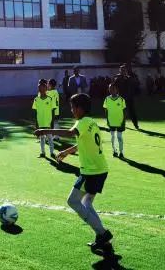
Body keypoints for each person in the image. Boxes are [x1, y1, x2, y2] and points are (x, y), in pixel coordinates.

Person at [35, 93, 113, 250]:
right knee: (86, 202)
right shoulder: (91, 123)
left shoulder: (82, 123)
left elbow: (70, 133)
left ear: (80, 108)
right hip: (100, 169)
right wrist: (66, 152)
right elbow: (81, 144)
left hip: (91, 172)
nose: (71, 110)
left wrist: (44, 130)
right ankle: (101, 235)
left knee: (72, 201)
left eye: (73, 107)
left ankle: (102, 233)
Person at [32, 79, 56, 157]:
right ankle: (43, 152)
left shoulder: (50, 99)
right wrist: (36, 124)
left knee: (49, 138)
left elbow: (52, 111)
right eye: (39, 87)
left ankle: (52, 152)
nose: (40, 88)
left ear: (46, 88)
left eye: (42, 87)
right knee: (42, 138)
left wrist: (52, 123)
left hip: (48, 122)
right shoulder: (36, 99)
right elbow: (35, 113)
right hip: (40, 122)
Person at [103, 83, 127, 158]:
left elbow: (124, 111)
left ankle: (121, 152)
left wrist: (123, 121)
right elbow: (106, 110)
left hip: (120, 121)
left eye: (113, 88)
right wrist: (107, 120)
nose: (112, 90)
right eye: (110, 88)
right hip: (111, 121)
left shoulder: (121, 99)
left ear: (117, 90)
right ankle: (114, 151)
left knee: (119, 137)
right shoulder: (107, 99)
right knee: (113, 136)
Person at [113, 64, 139, 129]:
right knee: (121, 111)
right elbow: (113, 86)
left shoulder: (129, 78)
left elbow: (135, 84)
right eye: (122, 70)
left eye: (124, 70)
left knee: (132, 111)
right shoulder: (117, 79)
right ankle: (121, 123)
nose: (123, 71)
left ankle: (135, 124)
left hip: (129, 97)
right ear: (120, 71)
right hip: (121, 98)